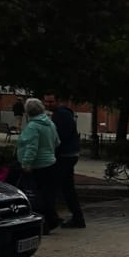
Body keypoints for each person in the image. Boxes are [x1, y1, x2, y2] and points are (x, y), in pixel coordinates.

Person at [16, 97, 62, 234]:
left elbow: (31, 147)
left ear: (27, 112)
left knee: (36, 196)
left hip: (38, 165)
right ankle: (51, 220)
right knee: (47, 195)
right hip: (50, 163)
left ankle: (43, 223)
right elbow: (57, 142)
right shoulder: (50, 124)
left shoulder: (33, 126)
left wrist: (26, 163)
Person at [42, 92, 85, 228]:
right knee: (67, 188)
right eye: (46, 102)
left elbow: (59, 138)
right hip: (69, 155)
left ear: (58, 101)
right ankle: (77, 218)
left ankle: (51, 219)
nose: (48, 104)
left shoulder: (61, 115)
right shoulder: (61, 114)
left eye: (51, 102)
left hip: (64, 156)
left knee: (53, 187)